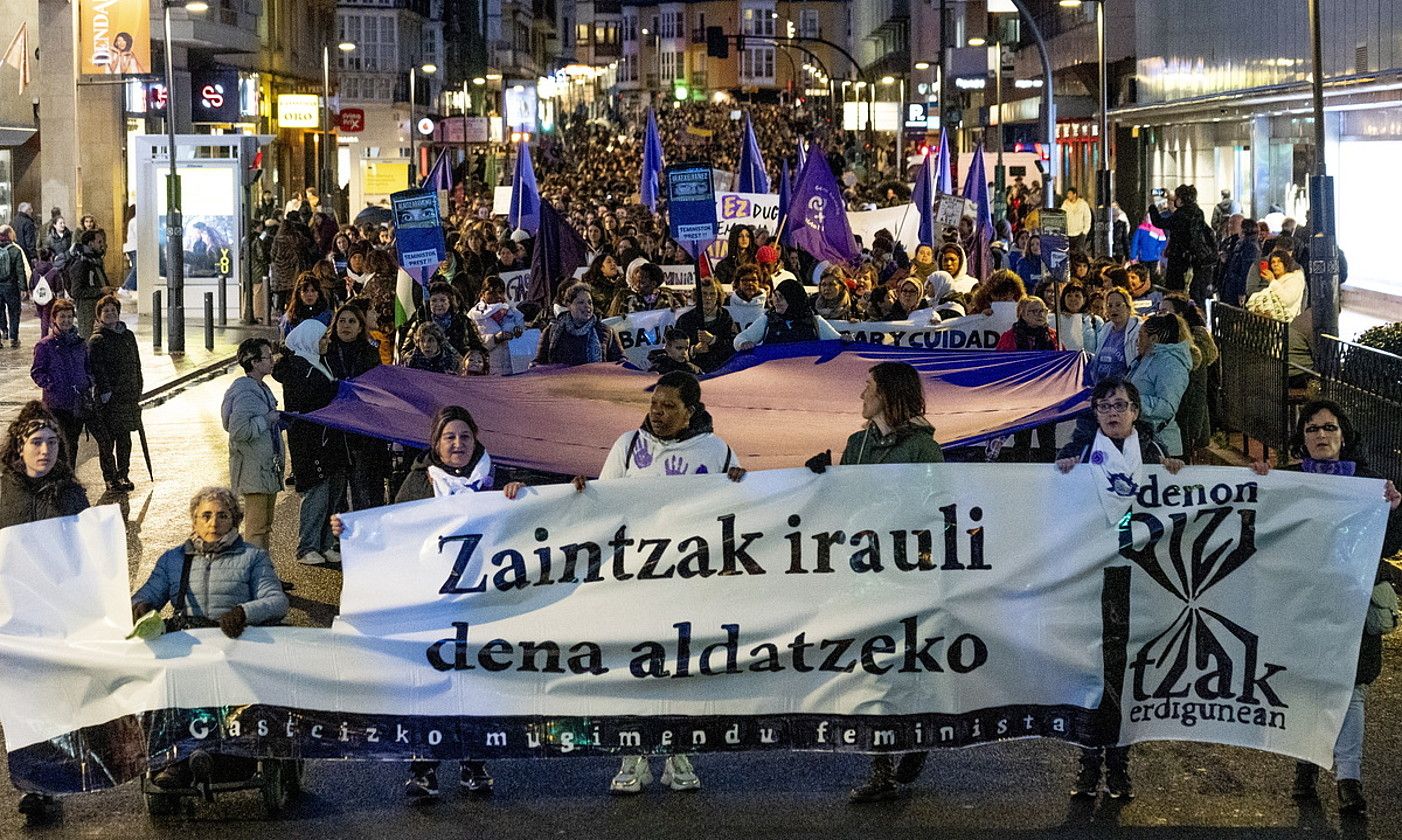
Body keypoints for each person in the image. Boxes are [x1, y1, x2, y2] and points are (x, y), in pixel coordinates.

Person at [572, 371, 745, 795]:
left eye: (669, 407)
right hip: (636, 578)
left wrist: (743, 483)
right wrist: (582, 491)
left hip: (688, 580)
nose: (658, 413)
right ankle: (634, 753)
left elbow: (739, 508)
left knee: (682, 665)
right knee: (636, 663)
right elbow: (604, 502)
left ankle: (677, 751)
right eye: (654, 404)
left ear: (691, 411)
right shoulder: (628, 446)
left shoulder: (717, 451)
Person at [331, 406, 510, 801]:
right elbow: (392, 530)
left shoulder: (500, 481)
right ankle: (424, 768)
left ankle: (473, 765)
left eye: (465, 436)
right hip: (432, 603)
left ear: (476, 438)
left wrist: (519, 496)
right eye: (450, 438)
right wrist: (353, 530)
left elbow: (538, 517)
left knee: (475, 683)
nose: (458, 444)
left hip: (482, 603)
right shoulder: (417, 482)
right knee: (430, 684)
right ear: (437, 444)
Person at [1249, 401, 1402, 817]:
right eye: (1312, 428)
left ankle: (1349, 779)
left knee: (1350, 692)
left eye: (1329, 428)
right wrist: (1260, 482)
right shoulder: (1287, 481)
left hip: (1352, 605)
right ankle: (1307, 765)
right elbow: (1257, 531)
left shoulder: (1371, 484)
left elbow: (1388, 547)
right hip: (1303, 605)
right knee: (1306, 686)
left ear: (1343, 435)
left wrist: (1393, 509)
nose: (1321, 435)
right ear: (1302, 438)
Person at [802, 362, 943, 802]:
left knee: (907, 663)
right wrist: (824, 479)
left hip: (909, 570)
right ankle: (881, 769)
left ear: (888, 395)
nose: (861, 395)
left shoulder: (923, 449)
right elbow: (848, 505)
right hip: (866, 568)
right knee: (871, 665)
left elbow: (940, 509)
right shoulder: (857, 443)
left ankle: (917, 734)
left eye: (868, 387)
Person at [1055, 378, 1182, 801]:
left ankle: (1120, 766)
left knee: (1126, 676)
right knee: (1092, 674)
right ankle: (1089, 764)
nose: (1113, 412)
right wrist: (1064, 473)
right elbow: (1053, 504)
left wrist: (1179, 474)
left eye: (1121, 405)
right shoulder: (1077, 451)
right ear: (1094, 412)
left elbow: (1179, 501)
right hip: (1092, 578)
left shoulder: (1154, 453)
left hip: (1139, 578)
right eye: (1104, 405)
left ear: (1136, 412)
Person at [131, 486, 290, 789]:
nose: (213, 523)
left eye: (222, 515)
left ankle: (232, 757)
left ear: (235, 521)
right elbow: (148, 594)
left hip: (232, 646)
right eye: (206, 516)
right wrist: (139, 607)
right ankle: (174, 762)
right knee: (167, 692)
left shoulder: (252, 558)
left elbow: (276, 600)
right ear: (194, 521)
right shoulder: (173, 560)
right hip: (188, 646)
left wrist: (244, 612)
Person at [1, 402, 90, 820]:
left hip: (54, 617)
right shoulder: (2, 492)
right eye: (36, 442)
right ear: (19, 446)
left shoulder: (72, 495)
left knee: (47, 703)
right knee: (17, 703)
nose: (45, 451)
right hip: (8, 616)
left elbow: (90, 558)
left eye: (53, 442)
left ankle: (41, 787)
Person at [272, 320, 345, 566]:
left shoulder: (320, 360)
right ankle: (306, 547)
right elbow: (305, 402)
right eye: (322, 337)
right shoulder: (297, 368)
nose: (327, 341)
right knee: (316, 494)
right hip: (309, 440)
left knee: (332, 495)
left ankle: (325, 544)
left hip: (329, 437)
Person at [322, 301, 388, 510]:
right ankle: (338, 538)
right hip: (335, 431)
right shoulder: (326, 352)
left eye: (352, 321)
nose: (346, 326)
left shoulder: (369, 353)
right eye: (341, 321)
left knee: (364, 487)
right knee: (337, 491)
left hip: (363, 432)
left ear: (360, 327)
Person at [221, 338, 285, 553]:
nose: (272, 360)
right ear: (255, 362)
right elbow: (239, 430)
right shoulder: (246, 392)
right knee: (256, 528)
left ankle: (263, 574)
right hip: (253, 470)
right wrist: (267, 420)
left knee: (264, 527)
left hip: (264, 468)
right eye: (268, 356)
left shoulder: (259, 387)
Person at [87, 294, 142, 492]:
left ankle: (123, 473)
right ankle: (110, 477)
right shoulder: (97, 340)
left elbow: (136, 363)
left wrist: (139, 386)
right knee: (107, 441)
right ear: (100, 315)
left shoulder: (127, 336)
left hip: (128, 396)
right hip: (109, 399)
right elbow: (97, 369)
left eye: (113, 310)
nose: (110, 314)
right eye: (106, 311)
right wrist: (106, 392)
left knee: (125, 439)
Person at [29, 299, 93, 469]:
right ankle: (62, 479)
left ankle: (69, 476)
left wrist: (87, 380)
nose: (66, 320)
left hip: (77, 402)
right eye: (62, 316)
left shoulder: (79, 343)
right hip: (56, 403)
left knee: (73, 442)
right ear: (54, 319)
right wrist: (51, 383)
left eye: (69, 316)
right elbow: (37, 371)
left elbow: (87, 366)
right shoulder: (45, 345)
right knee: (60, 444)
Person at [1127, 312, 1193, 458]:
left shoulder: (1171, 364)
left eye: (1141, 336)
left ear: (1154, 339)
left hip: (1163, 447)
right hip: (1145, 443)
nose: (1137, 342)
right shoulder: (1145, 360)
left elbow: (1167, 407)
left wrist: (1131, 404)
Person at [1158, 294, 1217, 455]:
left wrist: (1194, 431)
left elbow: (1198, 392)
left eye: (1165, 312)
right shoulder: (1168, 341)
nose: (1160, 316)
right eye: (1159, 312)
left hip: (1186, 424)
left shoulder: (1193, 349)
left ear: (1180, 315)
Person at [734, 278, 841, 350]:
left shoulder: (814, 322)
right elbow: (740, 339)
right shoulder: (767, 320)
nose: (776, 301)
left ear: (794, 300)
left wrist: (845, 339)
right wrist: (743, 343)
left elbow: (839, 342)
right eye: (776, 296)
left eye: (782, 298)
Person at [536, 283, 624, 366]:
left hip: (596, 381)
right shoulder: (551, 332)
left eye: (590, 302)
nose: (587, 306)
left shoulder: (606, 332)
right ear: (568, 305)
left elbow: (620, 361)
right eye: (581, 302)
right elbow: (540, 363)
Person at [468, 276, 527, 376]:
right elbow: (472, 345)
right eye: (492, 293)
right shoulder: (473, 316)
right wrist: (494, 339)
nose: (497, 296)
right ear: (482, 294)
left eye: (500, 292)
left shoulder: (514, 313)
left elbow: (526, 343)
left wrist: (519, 334)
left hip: (514, 371)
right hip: (487, 372)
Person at [65, 228, 110, 340]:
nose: (102, 245)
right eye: (99, 242)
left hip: (98, 308)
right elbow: (76, 291)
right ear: (90, 244)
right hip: (87, 311)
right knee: (88, 340)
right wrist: (99, 291)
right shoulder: (81, 263)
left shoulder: (95, 261)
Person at [1090, 288, 1141, 383]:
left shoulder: (1138, 331)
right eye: (1109, 305)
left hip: (1124, 389)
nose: (1113, 309)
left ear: (1128, 307)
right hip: (1102, 388)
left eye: (1118, 305)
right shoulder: (1105, 329)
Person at [1246, 250, 1306, 323]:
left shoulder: (1294, 280)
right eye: (1273, 262)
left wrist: (1272, 280)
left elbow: (1287, 300)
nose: (1275, 265)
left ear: (1286, 263)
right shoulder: (1278, 280)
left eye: (1279, 261)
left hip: (1286, 325)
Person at [279, 273, 333, 338]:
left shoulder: (327, 316)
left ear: (318, 293)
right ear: (299, 294)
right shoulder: (290, 317)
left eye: (313, 291)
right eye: (305, 291)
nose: (309, 294)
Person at [28, 247, 64, 339]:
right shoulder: (54, 271)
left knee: (43, 317)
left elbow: (31, 284)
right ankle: (45, 337)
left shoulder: (35, 270)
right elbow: (58, 287)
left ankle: (45, 335)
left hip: (38, 297)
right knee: (46, 317)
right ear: (50, 257)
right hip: (49, 298)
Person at [0, 226, 26, 348]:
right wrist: (23, 288)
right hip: (11, 286)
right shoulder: (15, 251)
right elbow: (20, 271)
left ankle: (3, 331)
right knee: (14, 312)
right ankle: (13, 338)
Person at [1062, 187, 1092, 253]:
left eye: (1070, 194)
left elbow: (1087, 217)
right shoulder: (1065, 204)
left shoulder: (1083, 204)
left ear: (1074, 194)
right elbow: (1062, 217)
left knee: (1079, 252)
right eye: (1068, 194)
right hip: (1068, 233)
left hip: (1080, 234)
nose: (1068, 195)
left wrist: (1085, 232)